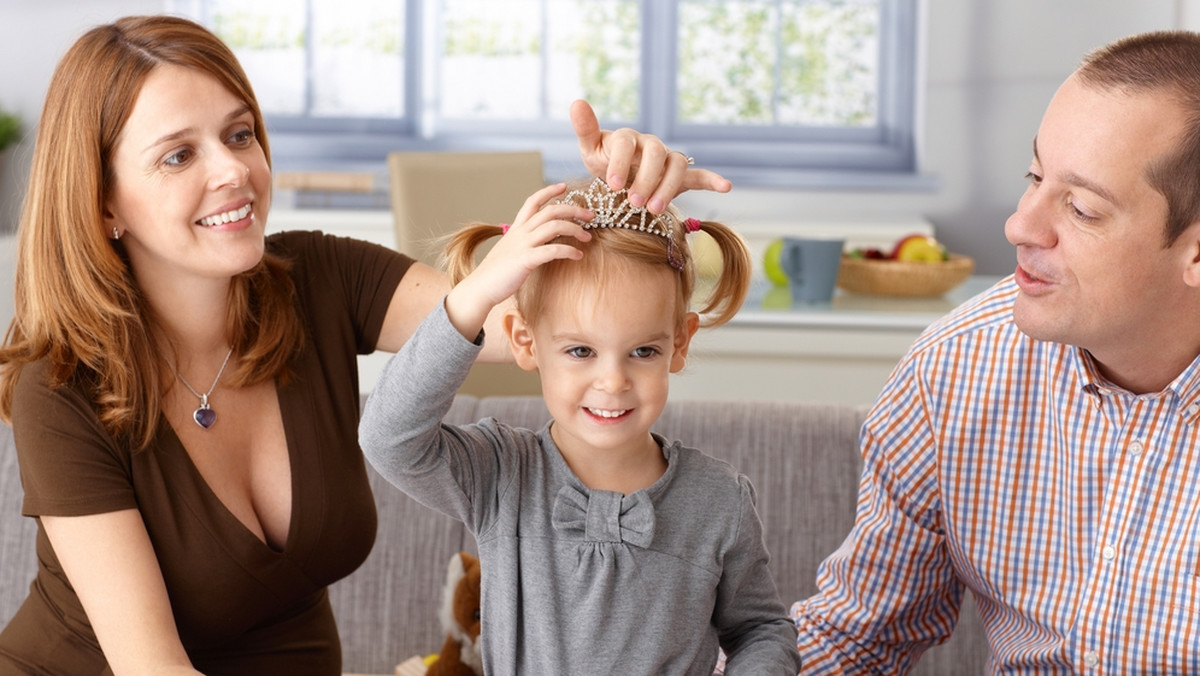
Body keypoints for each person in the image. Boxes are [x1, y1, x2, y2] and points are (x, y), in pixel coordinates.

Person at [0, 15, 730, 675]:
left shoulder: (319, 276)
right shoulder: (60, 384)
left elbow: (543, 328)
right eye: (176, 156)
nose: (233, 172)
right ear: (102, 201)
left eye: (239, 133)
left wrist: (616, 202)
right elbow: (151, 668)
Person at [792, 29, 1200, 673]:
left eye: (1083, 210)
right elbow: (854, 638)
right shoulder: (954, 369)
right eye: (1034, 176)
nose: (1020, 226)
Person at [357, 177, 802, 674]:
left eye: (643, 351)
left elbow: (761, 629)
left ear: (679, 344)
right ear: (525, 343)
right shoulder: (500, 474)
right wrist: (474, 297)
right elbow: (388, 437)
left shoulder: (721, 499)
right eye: (580, 351)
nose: (612, 382)